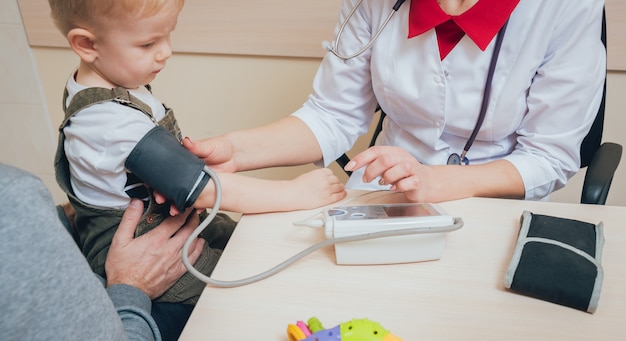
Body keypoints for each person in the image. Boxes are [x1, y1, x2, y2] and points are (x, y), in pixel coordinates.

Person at [47, 0, 346, 331]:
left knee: (248, 242)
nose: (166, 52)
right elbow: (205, 189)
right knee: (246, 287)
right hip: (142, 249)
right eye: (148, 44)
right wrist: (295, 192)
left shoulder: (101, 84)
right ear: (86, 44)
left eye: (168, 35)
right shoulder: (107, 121)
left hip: (167, 218)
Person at [182, 0, 606, 204]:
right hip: (381, 194)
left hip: (498, 203)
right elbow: (333, 113)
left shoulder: (566, 7)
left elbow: (549, 158)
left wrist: (437, 181)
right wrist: (235, 151)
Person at [0, 162, 205, 340]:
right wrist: (131, 286)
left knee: (218, 229)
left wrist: (83, 219)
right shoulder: (11, 192)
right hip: (130, 306)